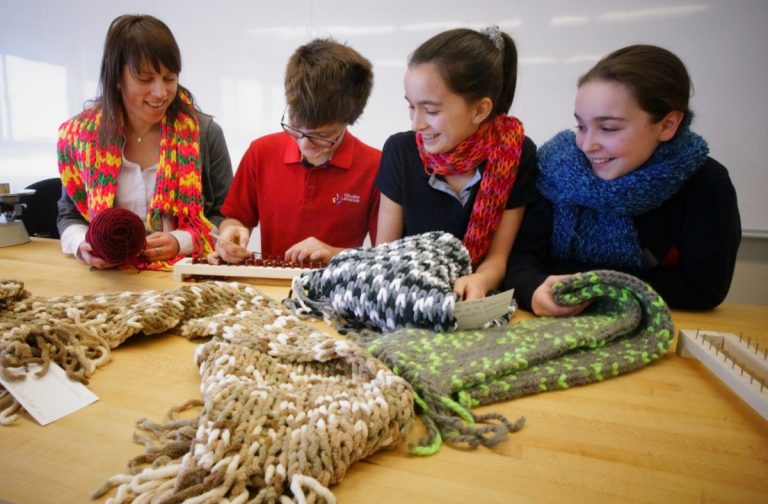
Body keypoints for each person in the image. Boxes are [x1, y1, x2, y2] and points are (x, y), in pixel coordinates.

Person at [503, 44, 741, 316]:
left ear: (667, 125)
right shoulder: (556, 170)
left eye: (608, 128)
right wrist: (533, 290)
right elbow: (521, 260)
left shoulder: (706, 183)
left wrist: (590, 286)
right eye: (580, 126)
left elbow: (704, 288)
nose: (587, 145)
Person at [57, 14, 233, 270]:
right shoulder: (79, 138)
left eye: (169, 78)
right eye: (145, 79)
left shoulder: (205, 134)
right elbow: (70, 213)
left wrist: (181, 240)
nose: (160, 93)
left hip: (183, 278)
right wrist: (84, 244)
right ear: (117, 79)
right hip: (108, 281)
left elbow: (226, 213)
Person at [375, 27, 538, 300]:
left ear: (479, 110)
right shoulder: (400, 151)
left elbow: (498, 259)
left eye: (432, 110)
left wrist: (478, 281)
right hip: (407, 297)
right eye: (411, 107)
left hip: (478, 304)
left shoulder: (517, 153)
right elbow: (383, 255)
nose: (416, 124)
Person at [214, 39, 379, 265]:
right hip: (272, 290)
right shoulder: (261, 152)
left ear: (349, 121)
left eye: (320, 136)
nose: (303, 144)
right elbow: (235, 219)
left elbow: (387, 257)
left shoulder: (375, 166)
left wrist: (335, 255)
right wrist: (230, 231)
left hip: (338, 292)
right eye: (294, 127)